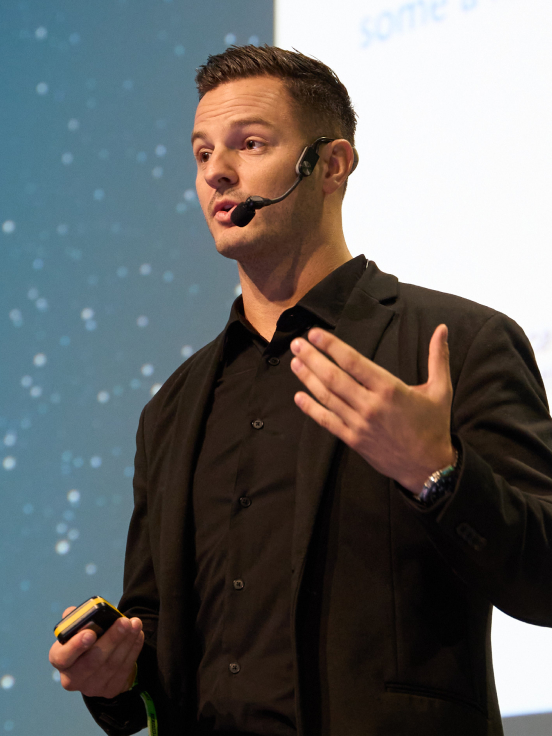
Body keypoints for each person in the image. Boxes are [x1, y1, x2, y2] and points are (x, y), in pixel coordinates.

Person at [49, 45, 552, 736]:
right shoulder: (170, 409)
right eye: (201, 155)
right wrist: (112, 676)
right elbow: (156, 648)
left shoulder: (456, 343)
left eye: (249, 144)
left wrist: (436, 474)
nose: (217, 171)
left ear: (333, 164)